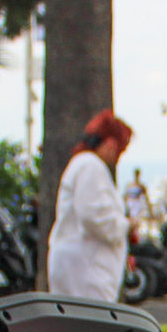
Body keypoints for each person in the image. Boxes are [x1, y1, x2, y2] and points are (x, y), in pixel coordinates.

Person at [46, 110, 132, 302]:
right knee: (93, 325)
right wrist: (125, 226)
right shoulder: (91, 166)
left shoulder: (82, 164)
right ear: (111, 144)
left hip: (76, 264)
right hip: (86, 268)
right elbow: (93, 215)